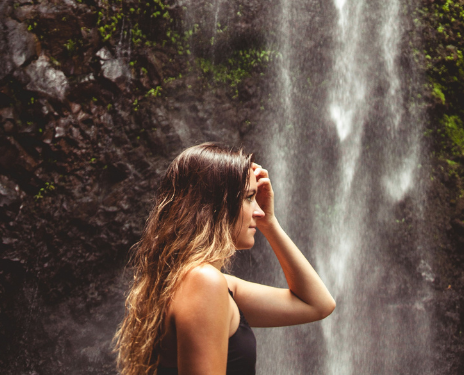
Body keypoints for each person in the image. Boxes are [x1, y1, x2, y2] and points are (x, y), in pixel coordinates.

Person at [113, 143, 336, 375]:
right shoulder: (204, 282)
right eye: (249, 197)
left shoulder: (203, 282)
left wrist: (270, 223)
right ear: (216, 205)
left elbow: (317, 304)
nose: (258, 211)